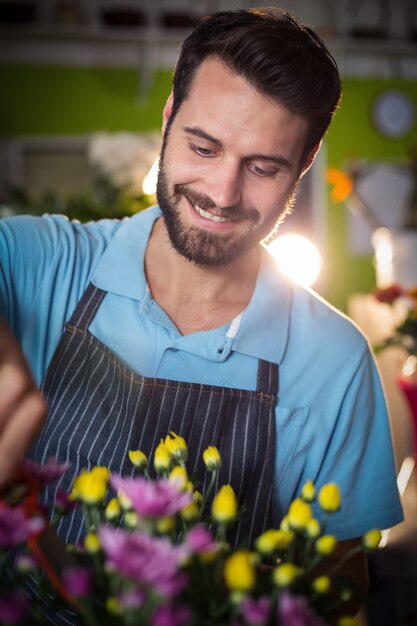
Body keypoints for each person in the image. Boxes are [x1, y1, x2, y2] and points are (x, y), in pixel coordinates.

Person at [0, 6, 402, 603]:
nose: (222, 192)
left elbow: (339, 590)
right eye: (204, 147)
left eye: (263, 167)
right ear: (169, 118)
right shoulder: (36, 261)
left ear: (303, 167)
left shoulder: (337, 365)